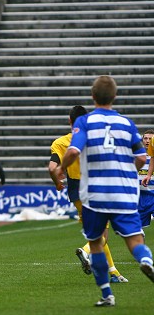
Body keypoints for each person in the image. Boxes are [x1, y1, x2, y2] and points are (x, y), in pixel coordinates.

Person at [55, 75, 154, 307]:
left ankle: (107, 294)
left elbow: (73, 152)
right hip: (124, 192)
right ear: (115, 97)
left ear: (93, 96)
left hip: (95, 194)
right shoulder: (126, 123)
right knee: (134, 238)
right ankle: (146, 259)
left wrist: (61, 168)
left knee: (97, 242)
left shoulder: (85, 122)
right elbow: (141, 156)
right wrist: (129, 170)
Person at [48, 105, 128, 283]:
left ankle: (114, 273)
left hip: (76, 191)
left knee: (97, 231)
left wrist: (57, 183)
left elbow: (52, 167)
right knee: (102, 235)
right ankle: (85, 251)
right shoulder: (95, 138)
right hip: (96, 187)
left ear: (69, 121)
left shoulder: (60, 142)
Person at [139, 130, 154, 228]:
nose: (148, 141)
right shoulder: (137, 157)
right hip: (141, 197)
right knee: (138, 230)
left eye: (150, 139)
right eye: (145, 138)